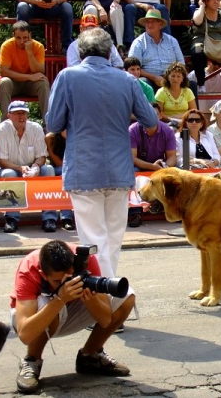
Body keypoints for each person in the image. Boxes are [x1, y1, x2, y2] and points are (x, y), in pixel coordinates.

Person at [45, 27, 158, 278]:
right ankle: (111, 293)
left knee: (93, 240)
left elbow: (53, 125)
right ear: (110, 53)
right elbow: (150, 120)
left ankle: (108, 295)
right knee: (113, 240)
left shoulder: (67, 77)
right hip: (119, 171)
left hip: (84, 171)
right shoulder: (128, 80)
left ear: (81, 52)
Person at [11, 240, 134, 394]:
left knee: (126, 295)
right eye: (58, 281)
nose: (66, 283)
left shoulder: (84, 261)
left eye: (70, 277)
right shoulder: (29, 268)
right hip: (39, 316)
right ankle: (31, 360)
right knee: (46, 302)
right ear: (44, 274)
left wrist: (91, 299)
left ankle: (90, 356)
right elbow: (25, 334)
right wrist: (60, 299)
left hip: (71, 310)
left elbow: (105, 320)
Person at [0, 100, 56, 233]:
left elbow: (42, 155)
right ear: (9, 115)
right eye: (17, 113)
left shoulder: (36, 128)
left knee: (48, 169)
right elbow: (2, 161)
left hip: (31, 168)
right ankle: (11, 219)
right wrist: (20, 168)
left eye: (24, 113)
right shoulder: (1, 130)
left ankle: (49, 218)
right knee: (10, 174)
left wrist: (36, 167)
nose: (21, 116)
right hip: (7, 169)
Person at [127, 102, 176, 228]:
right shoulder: (132, 130)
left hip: (160, 165)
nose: (150, 118)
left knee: (175, 172)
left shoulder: (168, 131)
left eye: (154, 114)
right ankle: (135, 212)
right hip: (139, 164)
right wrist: (152, 167)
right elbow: (132, 158)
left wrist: (165, 166)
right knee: (132, 170)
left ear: (160, 116)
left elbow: (172, 157)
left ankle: (173, 211)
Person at [0, 21, 51, 123]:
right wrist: (29, 77)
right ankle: (6, 123)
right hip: (13, 83)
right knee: (4, 82)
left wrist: (29, 52)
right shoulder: (6, 46)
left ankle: (48, 124)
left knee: (43, 82)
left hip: (30, 85)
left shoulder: (38, 46)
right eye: (18, 38)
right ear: (13, 35)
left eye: (25, 38)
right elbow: (4, 71)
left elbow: (39, 70)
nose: (22, 41)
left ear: (30, 35)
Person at [127, 9, 187, 93]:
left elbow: (181, 64)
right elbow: (133, 68)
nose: (150, 24)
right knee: (142, 82)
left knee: (192, 84)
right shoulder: (138, 43)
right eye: (147, 22)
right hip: (149, 79)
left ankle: (193, 106)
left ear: (160, 24)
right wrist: (154, 77)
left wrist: (174, 77)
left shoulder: (172, 41)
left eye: (153, 22)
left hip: (172, 78)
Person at [45, 131, 75, 231]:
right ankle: (66, 218)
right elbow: (58, 162)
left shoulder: (77, 134)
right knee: (65, 176)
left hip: (75, 167)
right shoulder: (50, 137)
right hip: (58, 168)